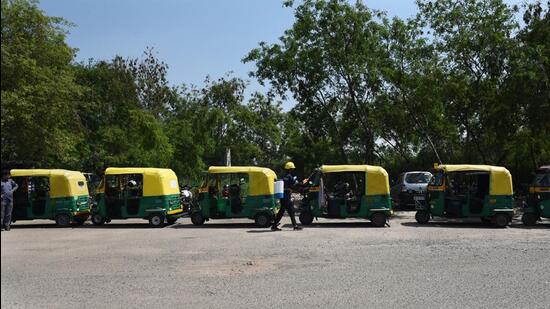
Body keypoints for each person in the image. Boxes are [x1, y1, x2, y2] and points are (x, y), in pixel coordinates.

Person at [271, 161, 302, 231]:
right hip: (286, 197)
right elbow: (295, 185)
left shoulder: (284, 176)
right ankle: (294, 226)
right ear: (290, 169)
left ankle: (275, 226)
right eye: (292, 169)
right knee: (288, 211)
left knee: (287, 211)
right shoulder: (289, 177)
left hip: (283, 196)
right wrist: (302, 183)